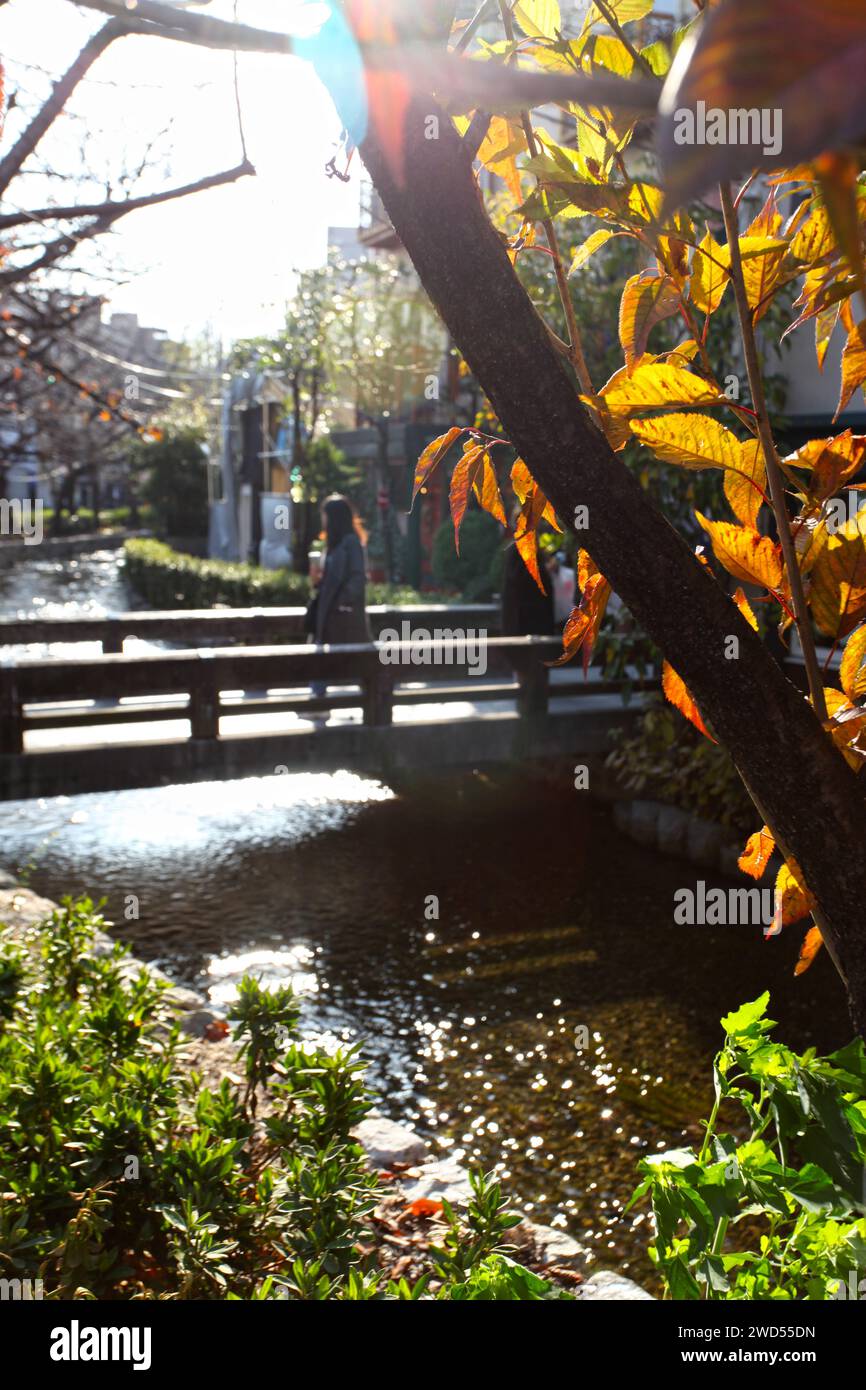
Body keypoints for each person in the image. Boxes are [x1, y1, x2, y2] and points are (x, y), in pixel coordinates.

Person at [309, 495, 371, 703]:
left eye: (325, 515)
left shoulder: (350, 543)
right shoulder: (333, 544)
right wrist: (317, 580)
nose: (323, 520)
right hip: (329, 612)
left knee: (354, 658)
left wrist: (342, 602)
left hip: (342, 614)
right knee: (323, 655)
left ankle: (370, 698)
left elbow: (358, 578)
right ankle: (317, 697)